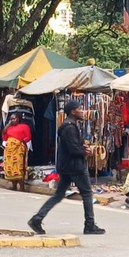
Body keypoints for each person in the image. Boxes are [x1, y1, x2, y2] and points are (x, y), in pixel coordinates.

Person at [27, 101, 105, 235]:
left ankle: (38, 218)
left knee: (58, 195)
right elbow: (73, 149)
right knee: (87, 194)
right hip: (75, 166)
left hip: (66, 166)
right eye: (80, 109)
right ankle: (89, 224)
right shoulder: (69, 127)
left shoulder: (69, 126)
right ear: (73, 112)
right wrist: (85, 151)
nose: (83, 111)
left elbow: (72, 146)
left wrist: (81, 148)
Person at [2, 112, 32, 191]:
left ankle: (22, 186)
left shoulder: (25, 127)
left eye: (14, 119)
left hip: (18, 149)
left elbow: (28, 137)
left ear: (18, 119)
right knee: (10, 167)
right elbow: (4, 137)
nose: (12, 120)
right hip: (9, 150)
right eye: (11, 119)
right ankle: (14, 185)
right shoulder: (9, 128)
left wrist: (21, 142)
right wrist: (7, 126)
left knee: (19, 167)